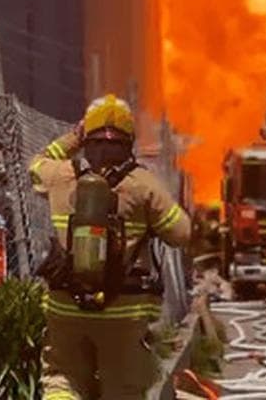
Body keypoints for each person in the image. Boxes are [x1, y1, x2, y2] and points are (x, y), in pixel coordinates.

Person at [30, 94, 192, 400]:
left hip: (65, 306)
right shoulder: (144, 184)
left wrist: (72, 139)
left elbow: (35, 164)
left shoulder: (60, 176)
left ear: (87, 140)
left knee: (62, 379)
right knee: (123, 389)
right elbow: (181, 233)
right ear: (129, 142)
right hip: (124, 310)